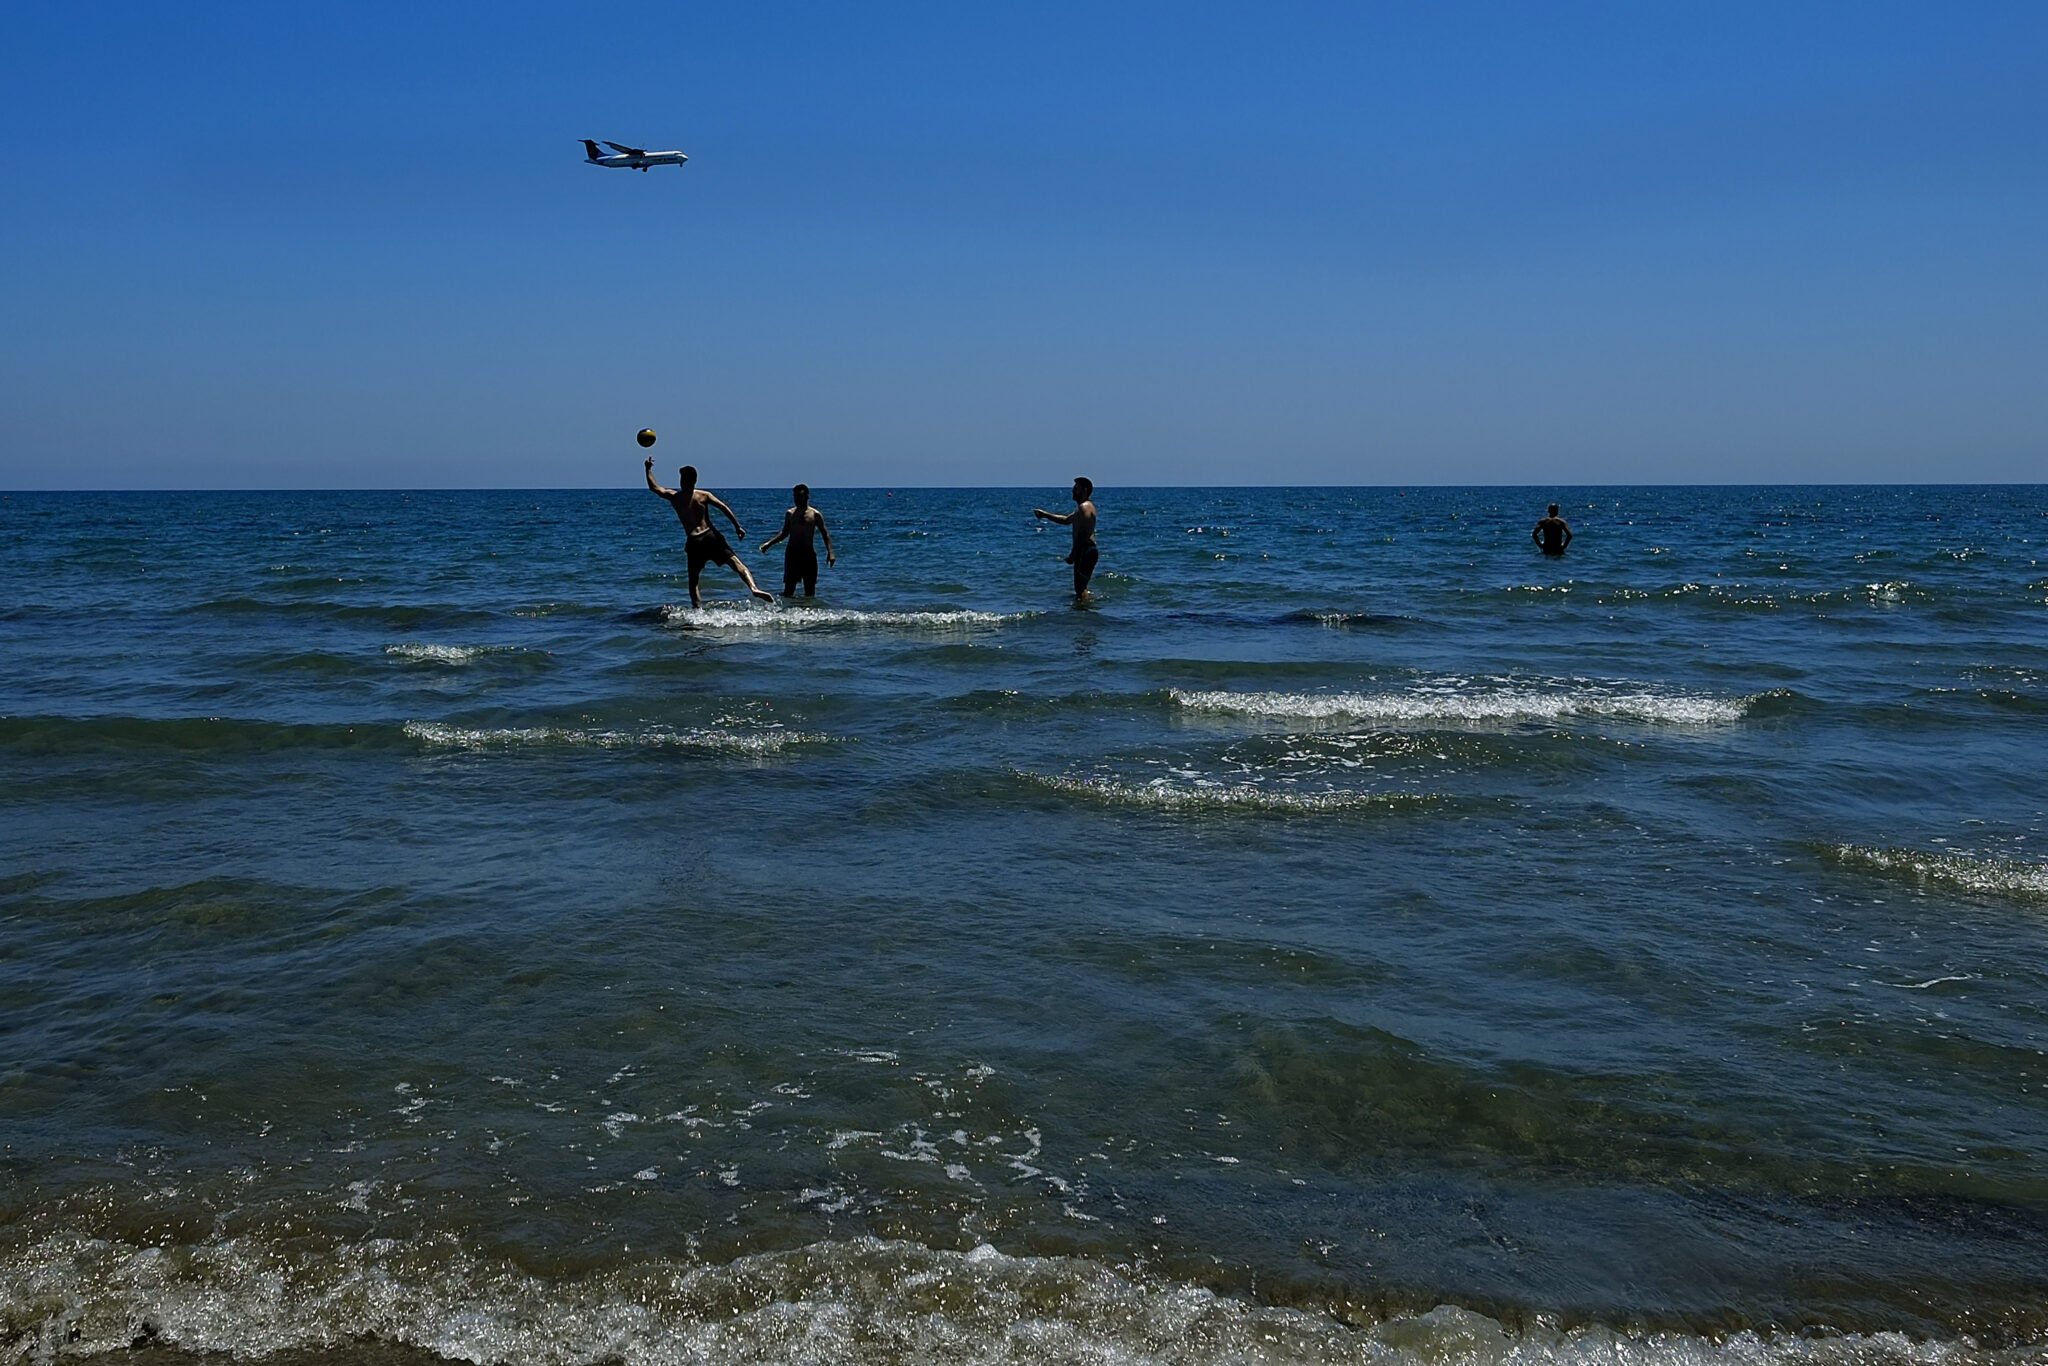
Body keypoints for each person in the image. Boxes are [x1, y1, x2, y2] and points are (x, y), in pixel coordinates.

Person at [645, 458, 773, 606]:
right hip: (710, 536)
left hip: (694, 541)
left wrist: (648, 469)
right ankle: (754, 588)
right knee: (736, 563)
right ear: (695, 481)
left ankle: (697, 612)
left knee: (693, 582)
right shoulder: (703, 495)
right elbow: (723, 507)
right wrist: (737, 527)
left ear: (682, 480)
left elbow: (654, 487)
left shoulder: (675, 497)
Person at [758, 484, 835, 597]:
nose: (797, 499)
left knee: (810, 590)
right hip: (793, 554)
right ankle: (787, 613)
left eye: (800, 496)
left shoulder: (815, 514)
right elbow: (784, 533)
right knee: (789, 589)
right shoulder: (790, 513)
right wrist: (768, 544)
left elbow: (825, 533)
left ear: (807, 496)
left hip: (808, 555)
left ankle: (808, 613)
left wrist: (830, 553)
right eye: (795, 496)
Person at [1033, 477, 1099, 597]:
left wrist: (1073, 555)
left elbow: (1083, 534)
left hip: (1086, 550)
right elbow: (1066, 520)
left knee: (1080, 588)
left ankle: (1084, 612)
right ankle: (1083, 610)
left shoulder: (1085, 508)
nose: (1073, 491)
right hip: (1084, 550)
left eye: (1076, 488)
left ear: (1084, 491)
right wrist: (1045, 515)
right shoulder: (1082, 508)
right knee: (1080, 588)